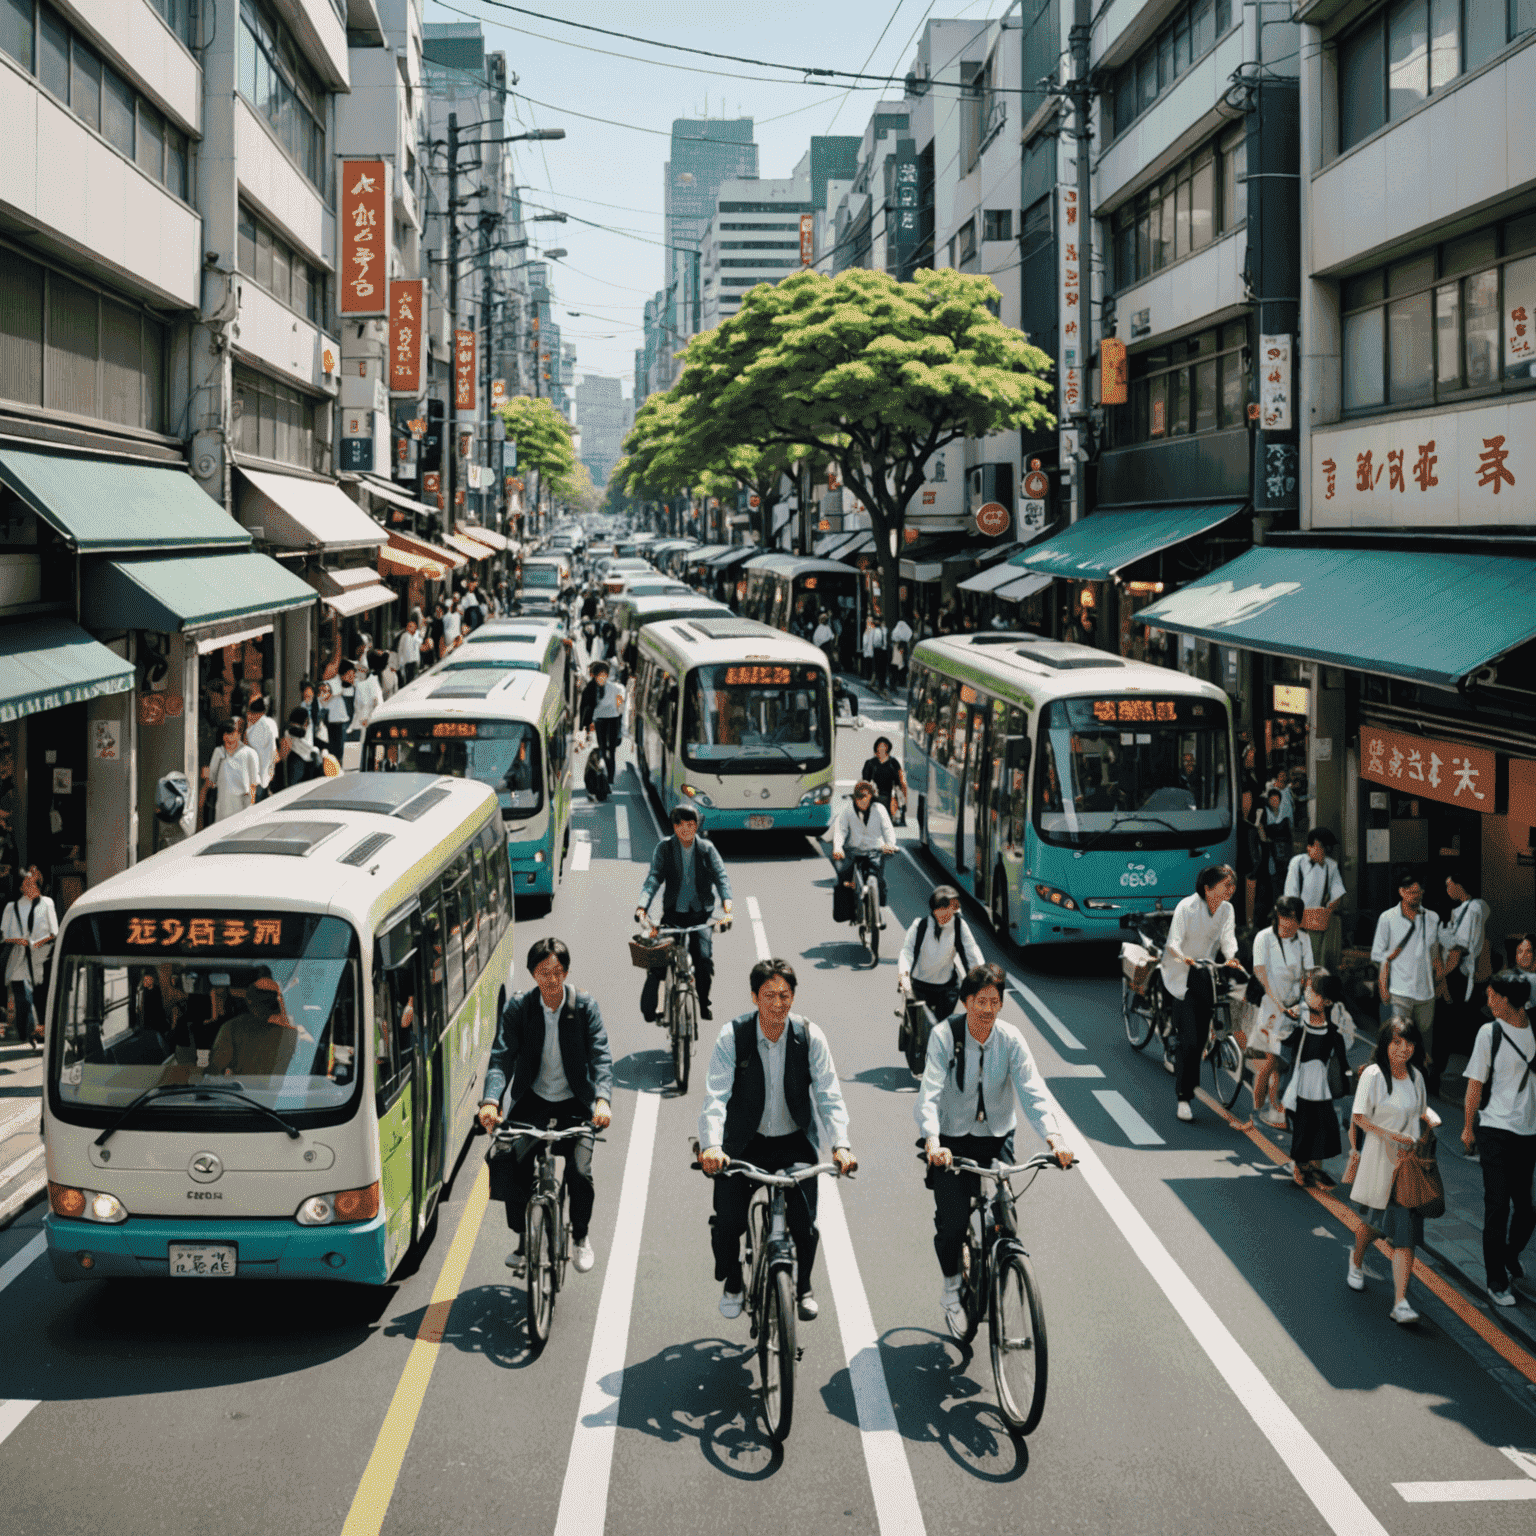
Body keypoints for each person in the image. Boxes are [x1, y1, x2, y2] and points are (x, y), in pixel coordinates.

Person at [917, 963, 1074, 1334]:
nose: (987, 1009)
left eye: (994, 1001)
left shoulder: (1011, 1039)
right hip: (951, 1140)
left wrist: (1055, 1138)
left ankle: (1001, 1257)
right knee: (953, 1222)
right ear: (966, 1001)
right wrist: (933, 1140)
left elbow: (1033, 1090)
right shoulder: (944, 1036)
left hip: (997, 1135)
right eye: (980, 1001)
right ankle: (952, 1290)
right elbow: (929, 1094)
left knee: (1006, 1213)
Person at [697, 958, 857, 1322]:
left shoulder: (809, 1036)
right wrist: (711, 1145)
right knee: (727, 1224)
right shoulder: (732, 1036)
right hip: (741, 1145)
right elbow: (715, 1096)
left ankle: (803, 1286)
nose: (777, 1004)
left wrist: (841, 1144)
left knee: (805, 1224)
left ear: (793, 998)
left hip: (793, 1141)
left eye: (785, 995)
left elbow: (829, 1094)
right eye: (768, 995)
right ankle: (734, 1281)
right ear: (754, 997)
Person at [477, 938, 612, 1276]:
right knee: (509, 1163)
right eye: (543, 972)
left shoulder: (584, 1008)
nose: (551, 980)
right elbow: (501, 1057)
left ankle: (580, 1237)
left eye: (557, 972)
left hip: (576, 1103)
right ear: (532, 974)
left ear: (566, 972)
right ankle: (524, 1238)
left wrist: (602, 1100)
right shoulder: (520, 1009)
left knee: (580, 1173)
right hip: (532, 1100)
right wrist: (492, 1100)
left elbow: (601, 1058)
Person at [1347, 1014, 1439, 1323]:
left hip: (1407, 1165)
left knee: (1405, 1235)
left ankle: (1400, 1302)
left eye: (1410, 1043)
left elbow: (1420, 1107)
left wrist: (1430, 1118)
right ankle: (1356, 1259)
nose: (1404, 1049)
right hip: (1380, 1159)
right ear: (1386, 1043)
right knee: (1372, 1225)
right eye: (1397, 1042)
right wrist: (1393, 1136)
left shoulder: (1416, 1077)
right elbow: (1359, 1116)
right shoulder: (1373, 1075)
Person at [1460, 972, 1536, 1307]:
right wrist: (1467, 1127)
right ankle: (1495, 1280)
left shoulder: (1534, 1029)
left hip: (1528, 1131)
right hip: (1494, 1129)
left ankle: (1509, 1253)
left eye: (1492, 995)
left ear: (1507, 999)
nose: (1488, 1001)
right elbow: (1474, 1084)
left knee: (1526, 1208)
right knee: (1497, 1205)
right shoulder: (1488, 1033)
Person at [1159, 863, 1244, 1122]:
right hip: (1181, 973)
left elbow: (1228, 938)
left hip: (1206, 971)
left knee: (1201, 1036)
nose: (1230, 890)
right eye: (1225, 885)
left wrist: (1231, 957)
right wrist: (1183, 958)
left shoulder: (1226, 909)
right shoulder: (1187, 907)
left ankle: (1185, 1046)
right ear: (1208, 889)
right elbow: (1174, 941)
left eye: (1232, 885)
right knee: (1191, 1041)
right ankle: (1184, 1098)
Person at [636, 803, 732, 1021]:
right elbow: (653, 879)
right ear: (674, 826)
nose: (685, 829)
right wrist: (642, 906)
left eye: (690, 824)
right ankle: (652, 1009)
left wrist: (728, 909)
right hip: (672, 917)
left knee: (704, 960)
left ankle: (703, 1001)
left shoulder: (707, 849)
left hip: (701, 917)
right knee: (657, 964)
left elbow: (721, 878)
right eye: (679, 824)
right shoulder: (664, 848)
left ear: (697, 825)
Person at [1244, 895, 1313, 1131]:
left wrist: (1303, 997)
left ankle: (1275, 1107)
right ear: (1278, 916)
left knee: (1283, 1062)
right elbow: (1260, 972)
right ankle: (1257, 1108)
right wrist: (1279, 1003)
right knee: (1271, 1060)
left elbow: (1309, 972)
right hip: (1273, 1007)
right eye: (1285, 919)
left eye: (1294, 920)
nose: (1289, 925)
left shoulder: (1304, 939)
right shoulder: (1264, 937)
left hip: (1295, 1007)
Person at [1370, 869, 1442, 1090]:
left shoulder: (1432, 917)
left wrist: (1440, 981)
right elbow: (1376, 954)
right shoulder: (1388, 918)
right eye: (1411, 892)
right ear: (1401, 892)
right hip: (1399, 991)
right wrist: (1385, 977)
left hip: (1426, 992)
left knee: (1423, 1043)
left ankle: (1420, 1086)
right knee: (1399, 1041)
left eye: (1419, 892)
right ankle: (1396, 1083)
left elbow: (1435, 952)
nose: (1416, 896)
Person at [1281, 968, 1353, 1187]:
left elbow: (1342, 1058)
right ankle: (1300, 1166)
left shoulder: (1333, 1032)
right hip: (1302, 1087)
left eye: (1313, 992)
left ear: (1328, 1001)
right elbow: (1284, 1043)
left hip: (1321, 1088)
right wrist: (1290, 1017)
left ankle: (1315, 1168)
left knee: (1322, 1127)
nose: (1308, 994)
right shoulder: (1300, 1025)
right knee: (1303, 1127)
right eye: (1308, 990)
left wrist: (1351, 1075)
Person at [898, 885, 985, 1038]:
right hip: (919, 987)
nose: (953, 912)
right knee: (916, 1032)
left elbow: (972, 953)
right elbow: (906, 954)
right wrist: (905, 983)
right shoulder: (920, 926)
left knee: (942, 1031)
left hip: (946, 988)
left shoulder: (959, 926)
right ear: (937, 909)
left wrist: (980, 983)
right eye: (949, 908)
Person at [1434, 869, 1490, 1090]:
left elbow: (1459, 947)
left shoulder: (1473, 910)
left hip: (1459, 974)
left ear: (1459, 885)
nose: (1447, 889)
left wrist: (1443, 976)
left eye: (1449, 884)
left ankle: (1437, 1073)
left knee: (1446, 1025)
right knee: (1463, 1024)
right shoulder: (1468, 910)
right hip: (1463, 974)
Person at [209, 971, 311, 1078]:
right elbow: (304, 1070)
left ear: (250, 1002)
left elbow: (214, 1069)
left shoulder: (233, 1028)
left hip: (241, 1092)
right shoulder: (294, 1034)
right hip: (277, 1094)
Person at [3, 869, 56, 1048]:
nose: (26, 885)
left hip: (40, 958)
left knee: (40, 997)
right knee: (23, 998)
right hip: (19, 958)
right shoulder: (12, 907)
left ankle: (38, 1033)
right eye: (25, 882)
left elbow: (53, 933)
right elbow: (5, 937)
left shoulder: (47, 904)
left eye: (30, 882)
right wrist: (19, 940)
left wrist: (35, 943)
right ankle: (27, 1033)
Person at [1284, 828, 1347, 971]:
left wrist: (1327, 912)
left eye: (1327, 848)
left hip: (1319, 922)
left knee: (1316, 962)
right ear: (1310, 847)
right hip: (1298, 918)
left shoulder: (1331, 865)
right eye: (1321, 847)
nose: (1325, 851)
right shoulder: (1297, 863)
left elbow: (1337, 892)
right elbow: (1290, 894)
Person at [830, 781, 897, 911]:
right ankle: (848, 911)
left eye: (866, 799)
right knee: (844, 882)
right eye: (860, 799)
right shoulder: (847, 811)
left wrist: (890, 845)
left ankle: (878, 910)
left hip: (875, 851)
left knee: (879, 880)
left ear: (871, 797)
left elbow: (888, 829)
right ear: (855, 798)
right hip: (853, 852)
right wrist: (838, 848)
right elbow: (840, 831)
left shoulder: (879, 809)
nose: (863, 803)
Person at [203, 719, 260, 825]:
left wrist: (251, 808)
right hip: (222, 807)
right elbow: (211, 781)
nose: (228, 737)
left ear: (239, 734)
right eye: (226, 733)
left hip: (242, 807)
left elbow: (254, 783)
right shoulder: (218, 753)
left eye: (232, 733)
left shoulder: (250, 754)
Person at [579, 661, 624, 782]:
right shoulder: (589, 689)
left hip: (613, 721)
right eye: (600, 675)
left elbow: (620, 709)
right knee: (603, 749)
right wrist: (584, 727)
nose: (602, 678)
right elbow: (584, 708)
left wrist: (621, 729)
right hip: (599, 722)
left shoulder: (615, 689)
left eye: (604, 675)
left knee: (611, 751)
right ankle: (603, 774)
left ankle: (610, 778)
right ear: (595, 676)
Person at [861, 737, 908, 826]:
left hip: (889, 795)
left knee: (886, 821)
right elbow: (865, 781)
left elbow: (900, 779)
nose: (881, 749)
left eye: (884, 746)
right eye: (879, 746)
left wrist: (901, 793)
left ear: (888, 748)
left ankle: (896, 818)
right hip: (874, 795)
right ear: (876, 748)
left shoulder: (893, 763)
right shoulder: (870, 763)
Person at [243, 695, 279, 803]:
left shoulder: (250, 731)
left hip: (255, 776)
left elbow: (246, 749)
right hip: (269, 773)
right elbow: (276, 750)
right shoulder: (272, 723)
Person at [318, 663, 356, 763]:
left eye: (353, 675)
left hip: (343, 724)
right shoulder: (330, 684)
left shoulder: (350, 687)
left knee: (342, 753)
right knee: (331, 753)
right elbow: (321, 698)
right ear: (343, 674)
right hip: (330, 724)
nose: (353, 678)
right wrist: (334, 693)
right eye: (350, 675)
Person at [277, 707, 322, 788]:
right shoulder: (290, 731)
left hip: (308, 760)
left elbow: (306, 742)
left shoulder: (307, 727)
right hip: (298, 759)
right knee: (295, 787)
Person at [889, 613, 913, 690]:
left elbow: (893, 636)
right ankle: (900, 682)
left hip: (897, 647)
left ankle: (893, 683)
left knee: (896, 666)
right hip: (903, 647)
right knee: (901, 665)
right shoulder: (906, 628)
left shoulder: (898, 626)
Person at [396, 618, 422, 685]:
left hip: (415, 661)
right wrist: (400, 663)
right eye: (409, 626)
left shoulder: (417, 636)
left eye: (412, 626)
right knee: (408, 681)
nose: (409, 628)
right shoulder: (405, 636)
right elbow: (400, 649)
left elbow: (419, 645)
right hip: (407, 663)